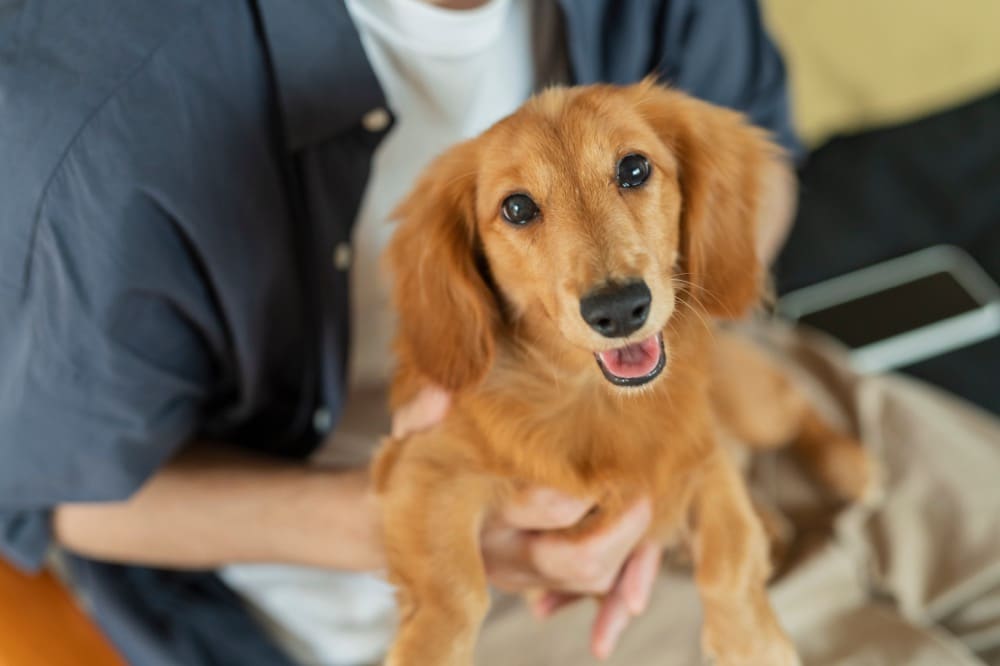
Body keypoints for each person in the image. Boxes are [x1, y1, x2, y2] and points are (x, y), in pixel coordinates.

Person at [0, 0, 799, 663]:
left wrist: (671, 356)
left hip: (698, 379)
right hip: (376, 589)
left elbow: (762, 162)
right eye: (518, 211)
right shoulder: (99, 113)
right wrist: (409, 527)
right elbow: (46, 494)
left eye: (632, 171)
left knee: (907, 507)